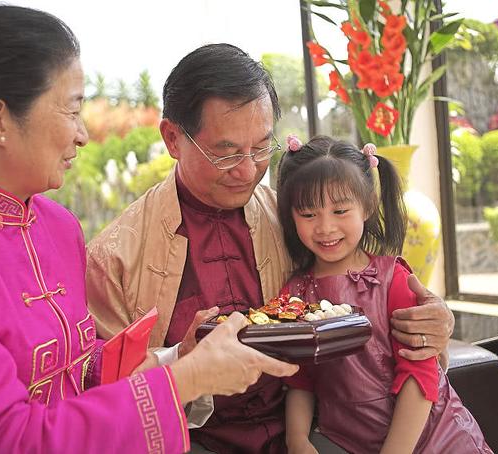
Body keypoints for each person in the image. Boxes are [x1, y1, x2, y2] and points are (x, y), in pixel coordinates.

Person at [0, 7, 300, 453]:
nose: (83, 134)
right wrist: (187, 379)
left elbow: (82, 369)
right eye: (72, 109)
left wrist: (180, 357)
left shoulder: (58, 228)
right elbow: (5, 440)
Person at [86, 43, 456, 453]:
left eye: (261, 148)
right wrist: (181, 360)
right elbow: (100, 394)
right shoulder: (115, 257)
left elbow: (371, 288)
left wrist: (432, 319)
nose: (247, 171)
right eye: (225, 154)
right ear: (173, 138)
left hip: (311, 431)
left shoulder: (295, 219)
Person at [277, 135, 492, 454]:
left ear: (367, 205)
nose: (324, 227)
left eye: (339, 210)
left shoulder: (394, 280)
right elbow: (299, 377)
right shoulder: (293, 295)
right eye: (308, 214)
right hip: (350, 441)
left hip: (439, 435)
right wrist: (297, 439)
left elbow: (420, 373)